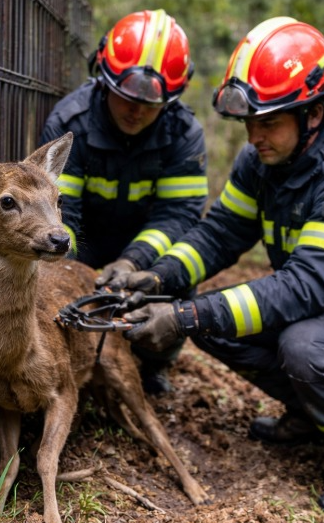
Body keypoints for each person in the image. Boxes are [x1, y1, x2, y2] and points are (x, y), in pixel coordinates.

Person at [113, 17, 324, 508]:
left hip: (314, 308)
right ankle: (310, 415)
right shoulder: (263, 161)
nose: (254, 137)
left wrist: (186, 315)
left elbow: (306, 285)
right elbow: (220, 233)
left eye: (268, 121)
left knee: (301, 347)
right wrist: (159, 276)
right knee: (207, 317)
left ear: (313, 113)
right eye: (249, 123)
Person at [39, 9, 208, 394]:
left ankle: (153, 365)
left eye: (151, 104)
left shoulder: (184, 135)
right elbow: (61, 212)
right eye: (126, 98)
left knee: (182, 268)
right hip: (82, 240)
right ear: (103, 80)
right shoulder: (71, 122)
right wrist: (78, 273)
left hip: (143, 246)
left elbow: (178, 215)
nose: (136, 110)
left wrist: (134, 261)